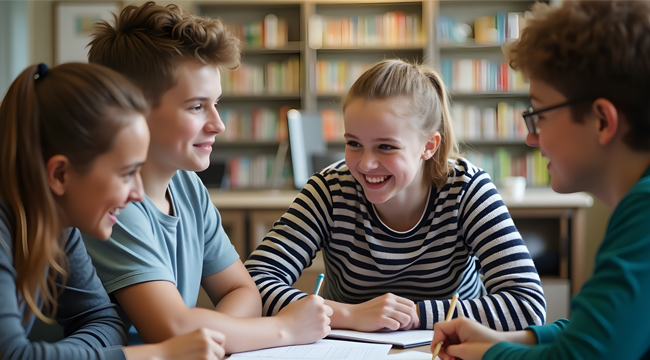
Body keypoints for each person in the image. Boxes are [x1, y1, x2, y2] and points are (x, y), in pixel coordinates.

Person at [82, 1, 332, 354]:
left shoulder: (187, 187)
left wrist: (211, 335)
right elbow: (170, 328)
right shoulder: (114, 204)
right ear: (131, 110)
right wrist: (284, 329)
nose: (219, 124)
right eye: (197, 106)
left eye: (217, 103)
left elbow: (242, 292)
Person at [245, 58, 547, 332]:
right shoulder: (329, 190)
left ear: (429, 146)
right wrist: (349, 315)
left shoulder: (467, 189)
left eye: (386, 147)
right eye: (354, 144)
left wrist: (414, 314)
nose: (365, 164)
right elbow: (253, 283)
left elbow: (527, 306)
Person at [429, 1, 650, 359]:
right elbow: (595, 330)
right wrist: (512, 341)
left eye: (539, 116)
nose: (532, 138)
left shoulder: (645, 208)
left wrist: (485, 355)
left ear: (602, 122)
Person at [0, 62, 227, 360]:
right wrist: (158, 355)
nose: (136, 194)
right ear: (60, 175)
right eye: (126, 173)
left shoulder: (61, 227)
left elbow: (104, 322)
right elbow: (13, 355)